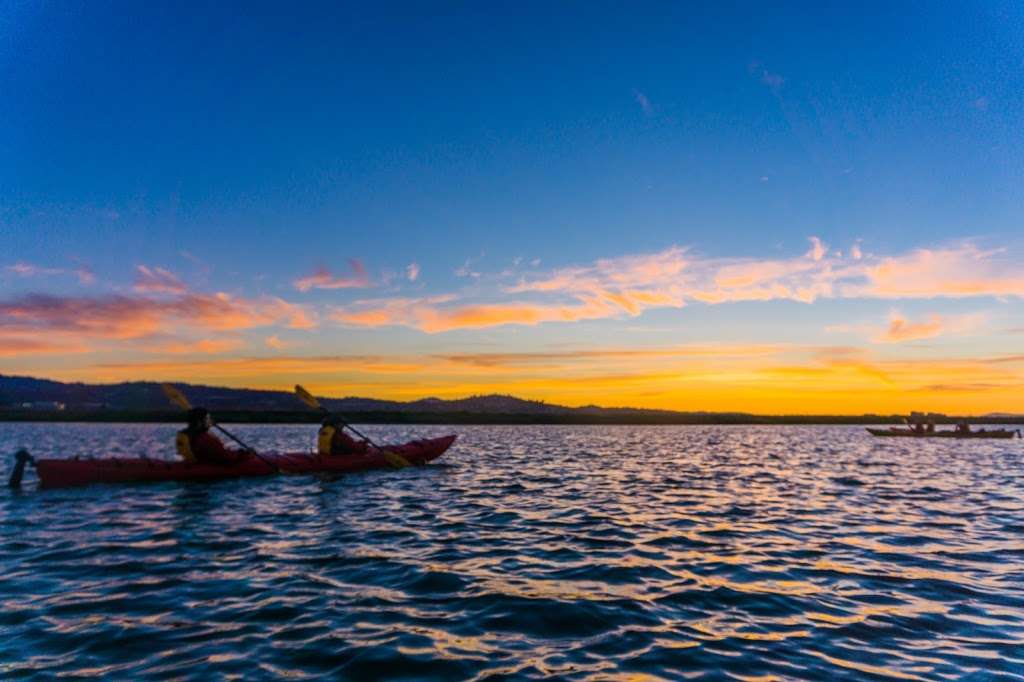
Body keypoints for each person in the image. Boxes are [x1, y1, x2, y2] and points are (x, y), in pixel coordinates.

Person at [176, 407, 244, 465]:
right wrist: (243, 454)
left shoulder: (185, 435)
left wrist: (238, 453)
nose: (210, 422)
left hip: (195, 465)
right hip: (208, 467)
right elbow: (227, 457)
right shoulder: (205, 439)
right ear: (199, 422)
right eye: (207, 419)